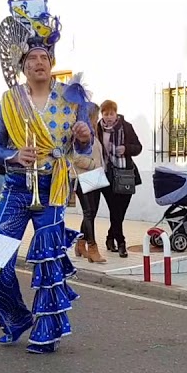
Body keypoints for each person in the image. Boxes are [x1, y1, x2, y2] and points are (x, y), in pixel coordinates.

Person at [0, 0, 93, 354]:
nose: (39, 63)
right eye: (32, 59)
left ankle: (47, 332)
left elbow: (85, 151)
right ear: (23, 66)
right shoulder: (9, 102)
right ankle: (17, 319)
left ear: (51, 63)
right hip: (17, 188)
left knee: (46, 261)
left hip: (52, 190)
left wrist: (84, 138)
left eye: (44, 58)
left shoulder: (72, 99)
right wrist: (13, 155)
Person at [96, 100, 142, 258]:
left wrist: (126, 148)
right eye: (105, 114)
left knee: (120, 211)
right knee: (114, 209)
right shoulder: (97, 129)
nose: (108, 117)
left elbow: (138, 147)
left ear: (116, 114)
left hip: (125, 174)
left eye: (111, 113)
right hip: (105, 174)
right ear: (102, 114)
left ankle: (110, 237)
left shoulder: (126, 127)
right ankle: (121, 243)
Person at [72, 102, 107, 263]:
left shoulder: (94, 133)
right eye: (96, 116)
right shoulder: (79, 132)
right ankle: (92, 248)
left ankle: (80, 243)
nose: (97, 119)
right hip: (82, 177)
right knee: (88, 213)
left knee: (91, 213)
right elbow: (76, 157)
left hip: (95, 176)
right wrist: (94, 165)